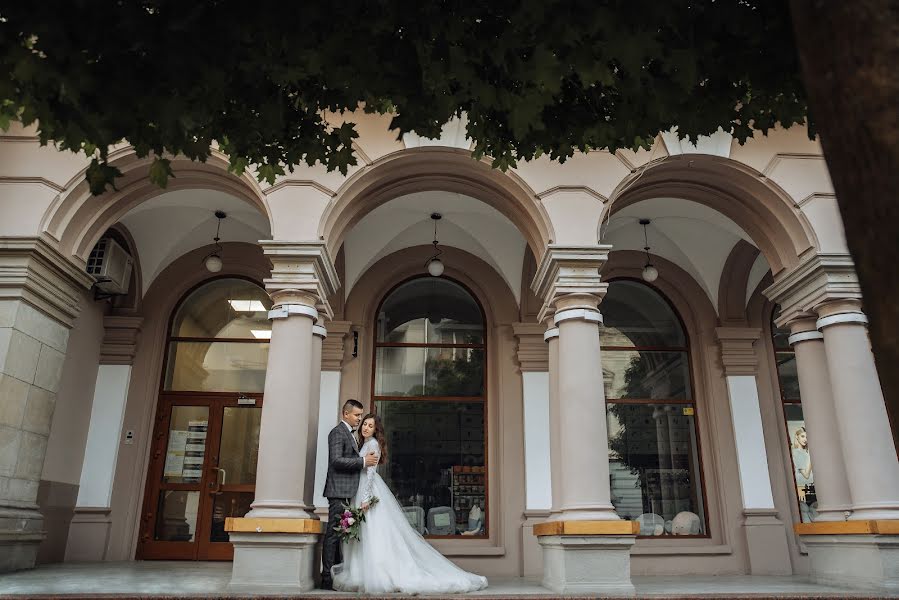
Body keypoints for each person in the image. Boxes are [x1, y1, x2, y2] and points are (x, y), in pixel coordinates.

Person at [332, 414, 488, 594]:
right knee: (367, 533)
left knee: (374, 532)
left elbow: (370, 474)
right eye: (364, 424)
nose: (366, 428)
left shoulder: (373, 444)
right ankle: (361, 572)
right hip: (360, 490)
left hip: (367, 490)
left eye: (370, 425)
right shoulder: (365, 444)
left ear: (376, 430)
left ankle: (379, 574)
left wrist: (366, 498)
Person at [320, 399, 378, 590]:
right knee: (333, 535)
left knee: (340, 535)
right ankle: (327, 578)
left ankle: (336, 574)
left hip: (348, 491)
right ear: (346, 414)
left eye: (361, 416)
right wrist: (362, 462)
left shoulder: (353, 435)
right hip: (339, 491)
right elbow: (336, 460)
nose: (359, 419)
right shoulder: (337, 432)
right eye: (357, 415)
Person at [791, 426, 817, 522]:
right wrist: (811, 456)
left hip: (810, 489)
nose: (805, 440)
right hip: (802, 488)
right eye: (802, 436)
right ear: (797, 437)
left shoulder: (805, 452)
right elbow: (806, 475)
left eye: (806, 437)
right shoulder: (796, 453)